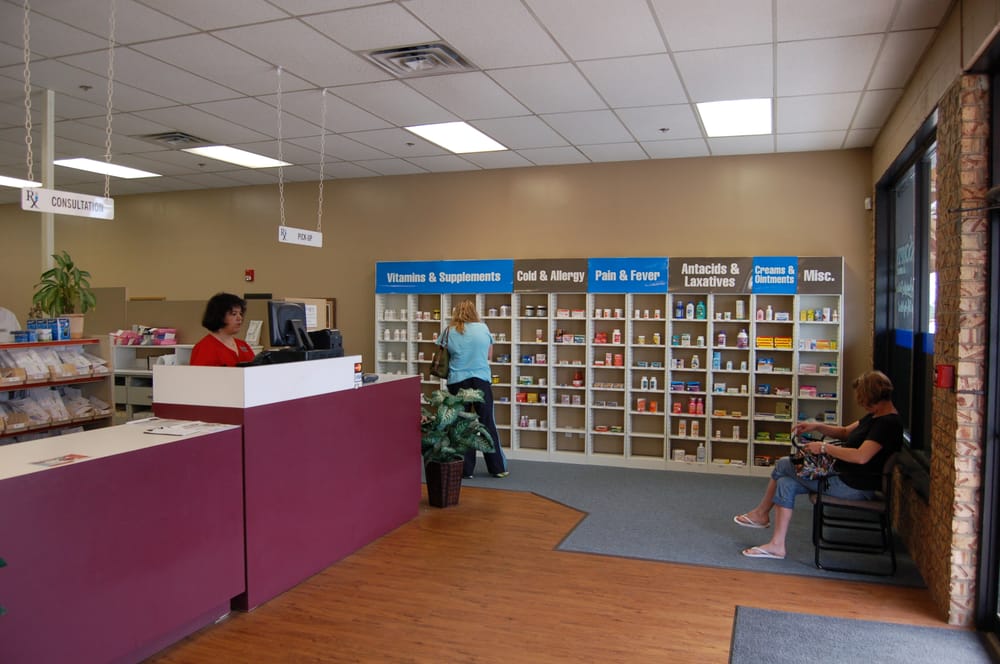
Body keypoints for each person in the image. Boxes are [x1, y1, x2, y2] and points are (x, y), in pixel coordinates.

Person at [733, 370, 903, 560]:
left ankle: (761, 514)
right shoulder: (876, 416)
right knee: (786, 483)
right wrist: (817, 426)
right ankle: (777, 545)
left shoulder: (887, 424)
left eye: (863, 400)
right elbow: (845, 432)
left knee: (783, 464)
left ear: (872, 397)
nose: (861, 404)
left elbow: (861, 457)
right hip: (841, 476)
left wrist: (824, 448)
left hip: (853, 486)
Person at [437, 299, 508, 479]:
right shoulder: (483, 328)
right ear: (474, 312)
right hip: (481, 380)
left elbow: (442, 355)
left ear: (456, 313)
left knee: (461, 425)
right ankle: (498, 468)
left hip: (457, 382)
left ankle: (464, 470)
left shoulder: (449, 331)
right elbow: (489, 355)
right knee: (487, 422)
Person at [190, 292, 255, 366]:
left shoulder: (243, 345)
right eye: (234, 314)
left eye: (240, 313)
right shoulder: (205, 348)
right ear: (220, 316)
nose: (239, 318)